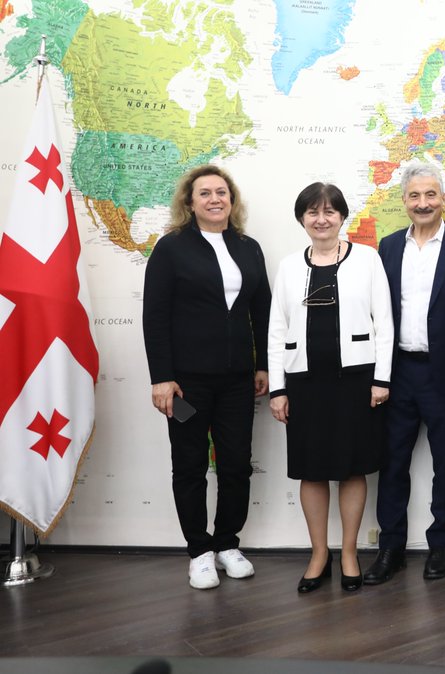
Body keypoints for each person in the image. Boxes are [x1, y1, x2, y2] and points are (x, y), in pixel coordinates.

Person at [143, 164, 270, 590]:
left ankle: (227, 544)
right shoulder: (171, 248)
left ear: (232, 200)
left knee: (236, 464)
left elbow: (262, 312)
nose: (215, 199)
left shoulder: (248, 248)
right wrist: (162, 378)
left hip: (238, 381)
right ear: (190, 202)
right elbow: (155, 316)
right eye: (205, 193)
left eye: (222, 192)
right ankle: (199, 551)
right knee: (190, 464)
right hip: (185, 384)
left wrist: (263, 365)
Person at [267, 182, 393, 593]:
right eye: (312, 212)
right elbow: (277, 330)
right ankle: (319, 554)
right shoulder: (289, 266)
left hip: (356, 381)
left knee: (352, 467)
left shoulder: (368, 259)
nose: (321, 219)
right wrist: (278, 389)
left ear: (342, 217)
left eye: (329, 212)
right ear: (302, 219)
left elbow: (384, 324)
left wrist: (381, 379)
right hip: (304, 382)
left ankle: (350, 553)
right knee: (312, 469)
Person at [367, 163, 445, 584]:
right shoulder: (388, 247)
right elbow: (378, 312)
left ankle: (440, 545)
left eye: (431, 194)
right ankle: (391, 548)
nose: (423, 203)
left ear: (444, 199)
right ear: (404, 201)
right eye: (414, 196)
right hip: (397, 372)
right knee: (392, 462)